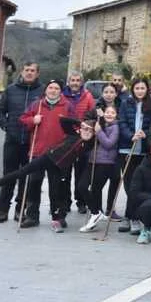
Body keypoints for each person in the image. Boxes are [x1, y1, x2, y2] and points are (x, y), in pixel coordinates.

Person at [0, 117, 96, 232]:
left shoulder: (90, 144)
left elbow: (101, 135)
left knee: (55, 193)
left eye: (90, 131)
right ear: (80, 129)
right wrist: (80, 123)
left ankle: (55, 220)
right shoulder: (73, 134)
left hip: (59, 168)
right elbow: (62, 120)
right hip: (48, 158)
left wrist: (97, 127)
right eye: (85, 129)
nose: (86, 132)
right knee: (21, 172)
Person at [18, 79, 76, 229]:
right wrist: (33, 120)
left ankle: (58, 216)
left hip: (58, 153)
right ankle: (32, 216)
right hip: (38, 151)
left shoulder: (67, 106)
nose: (53, 90)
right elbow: (23, 119)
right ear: (46, 90)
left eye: (56, 88)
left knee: (57, 187)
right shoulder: (36, 105)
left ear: (60, 91)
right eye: (50, 88)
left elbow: (74, 126)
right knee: (34, 184)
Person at [0, 61, 44, 223]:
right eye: (27, 70)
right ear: (22, 72)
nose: (29, 73)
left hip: (31, 141)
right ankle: (3, 210)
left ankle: (19, 210)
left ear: (37, 74)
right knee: (8, 176)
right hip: (12, 140)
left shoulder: (42, 91)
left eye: (32, 70)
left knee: (26, 178)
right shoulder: (11, 90)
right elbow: (0, 110)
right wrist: (5, 125)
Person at [117, 78, 151, 234]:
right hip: (127, 149)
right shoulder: (126, 103)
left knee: (137, 185)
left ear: (147, 90)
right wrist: (130, 135)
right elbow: (122, 122)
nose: (140, 91)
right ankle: (131, 216)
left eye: (142, 88)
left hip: (142, 151)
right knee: (128, 185)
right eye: (137, 88)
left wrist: (145, 134)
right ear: (133, 89)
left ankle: (131, 217)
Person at [80, 104, 120, 232]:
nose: (109, 115)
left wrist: (99, 131)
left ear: (116, 115)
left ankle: (95, 214)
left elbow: (109, 144)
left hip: (105, 162)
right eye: (107, 112)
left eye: (112, 113)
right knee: (81, 186)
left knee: (96, 189)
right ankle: (96, 212)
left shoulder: (115, 127)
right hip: (92, 160)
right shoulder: (98, 123)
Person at [63, 72, 97, 215]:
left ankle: (81, 201)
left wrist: (86, 128)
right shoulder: (62, 95)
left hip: (83, 139)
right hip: (66, 138)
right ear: (68, 82)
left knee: (80, 172)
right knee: (65, 173)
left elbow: (93, 115)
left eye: (78, 80)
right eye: (72, 80)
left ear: (82, 82)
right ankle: (65, 202)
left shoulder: (88, 96)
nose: (75, 83)